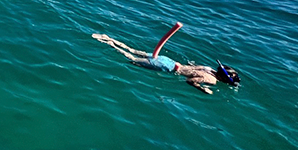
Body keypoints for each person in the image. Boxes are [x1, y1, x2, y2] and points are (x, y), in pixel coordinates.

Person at [93, 32, 240, 94]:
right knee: (131, 59)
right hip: (167, 67)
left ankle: (110, 38)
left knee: (132, 50)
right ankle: (110, 44)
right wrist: (203, 89)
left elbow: (193, 68)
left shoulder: (209, 69)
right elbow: (190, 81)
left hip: (170, 61)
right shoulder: (211, 80)